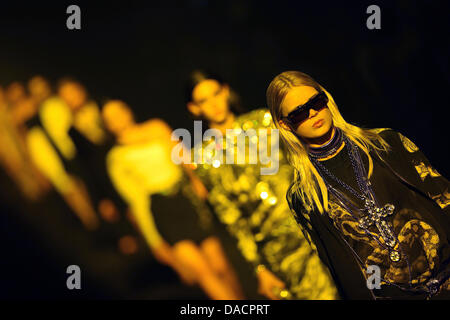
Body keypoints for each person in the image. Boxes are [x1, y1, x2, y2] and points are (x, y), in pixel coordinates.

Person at [266, 70, 450, 299]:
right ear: (285, 125)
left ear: (327, 100)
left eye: (316, 102)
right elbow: (340, 268)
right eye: (299, 114)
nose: (313, 113)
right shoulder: (304, 196)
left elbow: (443, 196)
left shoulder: (386, 143)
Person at [186, 70, 337, 300]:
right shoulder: (204, 158)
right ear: (194, 108)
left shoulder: (265, 122)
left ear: (226, 91)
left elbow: (306, 164)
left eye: (216, 93)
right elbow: (232, 219)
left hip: (321, 222)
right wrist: (260, 269)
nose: (214, 104)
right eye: (203, 100)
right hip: (281, 249)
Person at [103, 100, 244, 300]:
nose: (118, 118)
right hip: (161, 209)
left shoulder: (155, 127)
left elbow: (182, 156)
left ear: (128, 110)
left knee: (220, 266)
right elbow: (136, 200)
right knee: (204, 273)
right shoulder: (115, 157)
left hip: (184, 198)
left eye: (119, 111)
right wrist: (153, 240)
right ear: (107, 125)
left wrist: (198, 182)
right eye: (110, 118)